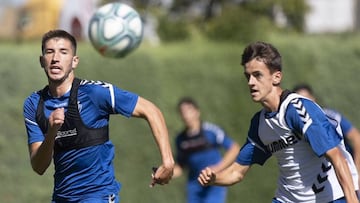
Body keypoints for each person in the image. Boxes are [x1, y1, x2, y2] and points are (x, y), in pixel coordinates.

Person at [23, 29, 175, 203]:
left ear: (74, 62)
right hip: (61, 198)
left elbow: (151, 110)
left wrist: (168, 161)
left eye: (63, 52)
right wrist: (51, 133)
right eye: (49, 52)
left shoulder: (94, 93)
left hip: (99, 196)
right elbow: (39, 166)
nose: (55, 58)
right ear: (42, 61)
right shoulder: (34, 104)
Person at [197, 41, 360, 202]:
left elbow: (337, 157)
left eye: (257, 75)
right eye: (247, 76)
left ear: (276, 77)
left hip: (331, 197)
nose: (250, 82)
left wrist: (352, 199)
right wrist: (214, 178)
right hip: (288, 199)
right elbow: (236, 172)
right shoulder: (259, 124)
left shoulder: (297, 109)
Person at [173, 97, 240, 203]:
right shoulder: (180, 140)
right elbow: (180, 167)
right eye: (182, 112)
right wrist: (166, 173)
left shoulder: (211, 131)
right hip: (194, 185)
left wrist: (218, 168)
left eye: (188, 110)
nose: (186, 115)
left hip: (214, 182)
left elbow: (234, 148)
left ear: (197, 112)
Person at [293, 83, 360, 186]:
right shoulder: (295, 129)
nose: (303, 106)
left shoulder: (329, 117)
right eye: (299, 102)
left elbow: (357, 138)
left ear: (313, 99)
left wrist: (357, 172)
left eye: (306, 100)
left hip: (346, 172)